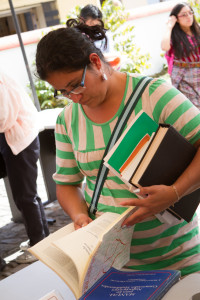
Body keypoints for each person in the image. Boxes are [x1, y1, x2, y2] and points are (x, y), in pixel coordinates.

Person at [35, 19, 200, 277]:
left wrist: (175, 193)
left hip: (176, 259)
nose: (74, 97)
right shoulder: (68, 119)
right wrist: (80, 217)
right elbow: (67, 184)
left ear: (96, 62)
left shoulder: (154, 96)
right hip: (114, 266)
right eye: (64, 92)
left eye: (76, 85)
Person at [0, 71, 49, 264]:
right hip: (17, 137)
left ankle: (38, 249)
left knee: (25, 197)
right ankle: (42, 241)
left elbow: (4, 118)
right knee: (28, 196)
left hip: (19, 139)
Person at [161, 2, 200, 110]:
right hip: (185, 78)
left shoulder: (198, 30)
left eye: (190, 13)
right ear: (176, 19)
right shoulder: (174, 36)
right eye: (184, 14)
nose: (188, 16)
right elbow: (164, 47)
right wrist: (169, 26)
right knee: (195, 108)